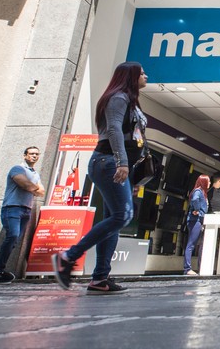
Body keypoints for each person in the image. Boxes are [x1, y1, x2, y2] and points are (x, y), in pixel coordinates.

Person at [52, 61, 149, 294]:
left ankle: (99, 278)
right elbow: (114, 129)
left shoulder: (129, 100)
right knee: (122, 216)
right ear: (131, 76)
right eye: (142, 73)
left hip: (115, 165)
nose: (146, 76)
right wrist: (122, 162)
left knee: (113, 220)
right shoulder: (118, 98)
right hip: (108, 163)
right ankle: (68, 256)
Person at [0, 146, 45, 283]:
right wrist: (34, 187)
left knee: (14, 241)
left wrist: (33, 187)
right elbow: (27, 185)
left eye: (37, 154)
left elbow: (41, 192)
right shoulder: (17, 169)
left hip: (26, 210)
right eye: (31, 154)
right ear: (25, 155)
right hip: (12, 208)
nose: (34, 156)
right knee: (12, 236)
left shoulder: (35, 174)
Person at [183, 174, 210, 276]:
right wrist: (197, 209)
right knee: (191, 244)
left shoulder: (202, 192)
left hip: (198, 220)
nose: (210, 183)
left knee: (193, 244)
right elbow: (195, 199)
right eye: (208, 181)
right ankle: (187, 268)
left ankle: (191, 268)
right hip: (195, 220)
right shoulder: (198, 191)